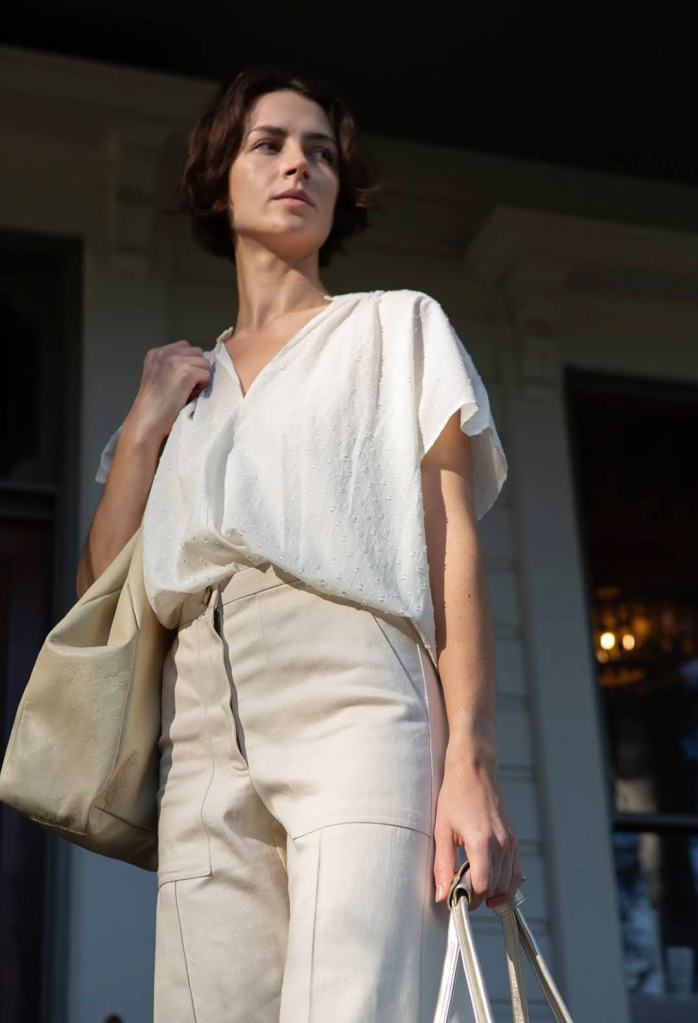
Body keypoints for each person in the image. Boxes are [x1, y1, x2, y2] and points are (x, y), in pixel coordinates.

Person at [77, 63, 523, 1023]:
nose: (299, 165)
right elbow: (102, 593)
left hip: (356, 696)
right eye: (269, 144)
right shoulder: (179, 392)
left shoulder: (396, 327)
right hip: (200, 721)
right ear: (218, 180)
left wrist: (472, 761)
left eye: (321, 152)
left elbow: (451, 548)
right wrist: (146, 423)